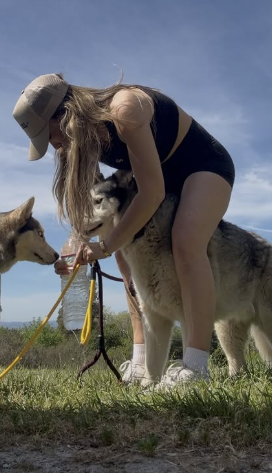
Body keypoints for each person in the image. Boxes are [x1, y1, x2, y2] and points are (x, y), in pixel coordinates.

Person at [13, 73, 235, 388]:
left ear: (63, 115)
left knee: (186, 240)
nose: (51, 145)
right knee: (123, 250)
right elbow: (93, 212)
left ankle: (196, 367)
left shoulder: (125, 109)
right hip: (158, 176)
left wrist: (104, 247)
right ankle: (142, 361)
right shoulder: (78, 141)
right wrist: (76, 250)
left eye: (46, 135)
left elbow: (152, 193)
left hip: (203, 166)